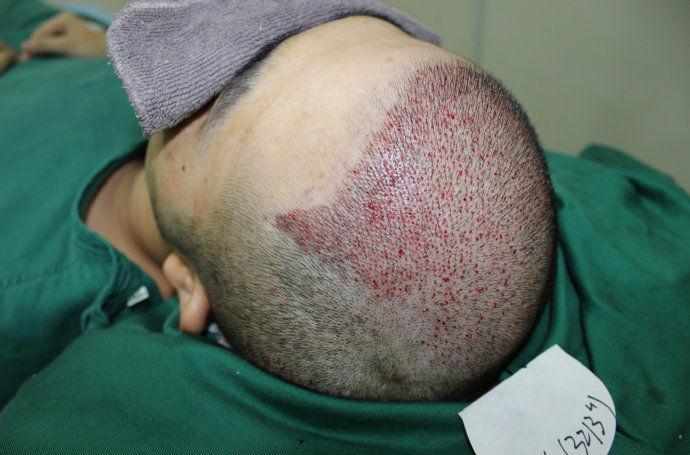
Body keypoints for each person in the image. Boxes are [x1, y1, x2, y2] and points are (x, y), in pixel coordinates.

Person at [1, 1, 689, 453]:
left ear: (190, 288)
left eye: (214, 105)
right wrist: (94, 39)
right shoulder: (645, 234)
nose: (220, 52)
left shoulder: (86, 406)